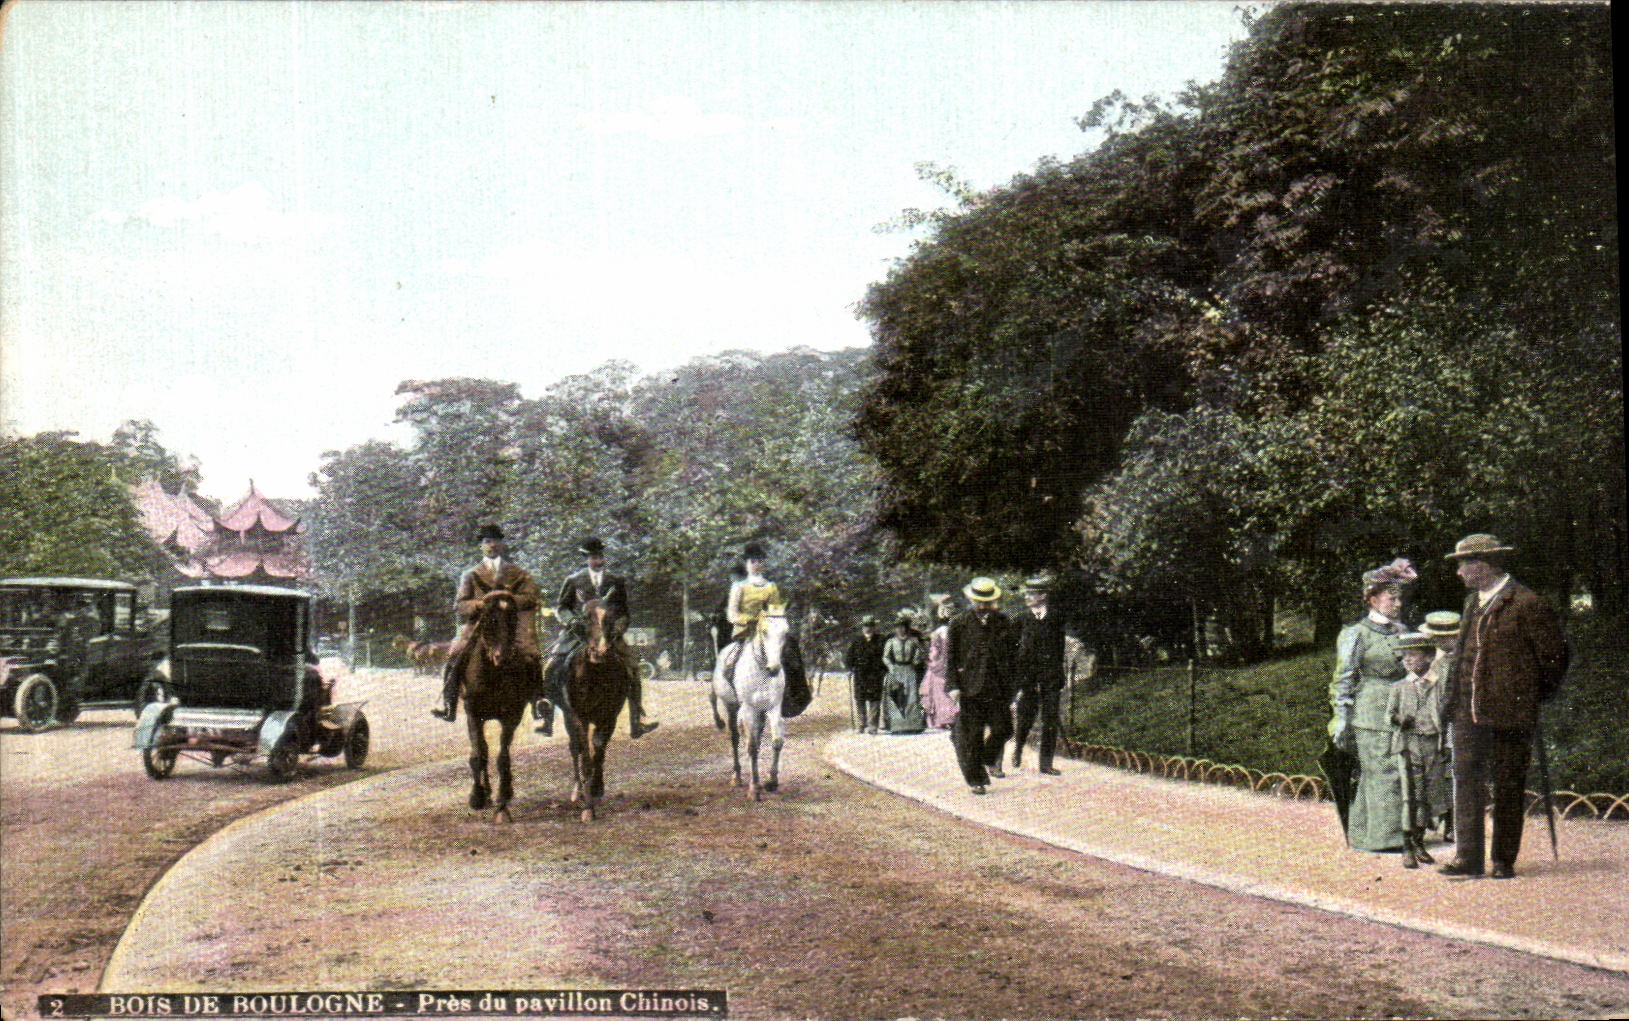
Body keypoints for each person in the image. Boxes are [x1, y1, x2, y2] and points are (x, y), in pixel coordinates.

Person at [1438, 534, 1568, 880]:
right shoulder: (1472, 603)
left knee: (1509, 783)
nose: (1459, 572)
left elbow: (1554, 660)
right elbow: (1461, 658)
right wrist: (1452, 702)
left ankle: (1503, 860)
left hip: (1510, 713)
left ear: (1484, 565)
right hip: (1468, 712)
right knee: (1465, 779)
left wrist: (1527, 697)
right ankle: (1468, 858)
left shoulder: (1527, 603)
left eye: (1464, 564)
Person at [1327, 557, 1415, 852]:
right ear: (1373, 599)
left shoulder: (1403, 631)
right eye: (1392, 598)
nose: (1398, 603)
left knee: (1399, 767)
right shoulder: (1356, 634)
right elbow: (1343, 680)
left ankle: (1368, 833)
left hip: (1403, 707)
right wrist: (1340, 717)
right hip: (1370, 711)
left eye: (1399, 597)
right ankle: (1384, 838)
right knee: (1380, 770)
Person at [541, 537, 659, 739]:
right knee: (552, 663)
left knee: (632, 666)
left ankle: (636, 719)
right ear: (586, 558)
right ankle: (547, 713)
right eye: (593, 557)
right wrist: (571, 622)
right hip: (578, 632)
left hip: (609, 633)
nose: (598, 560)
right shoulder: (573, 580)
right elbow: (562, 607)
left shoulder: (616, 581)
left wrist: (618, 628)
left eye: (600, 556)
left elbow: (623, 611)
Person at [431, 524, 542, 723]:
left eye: (496, 541)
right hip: (478, 626)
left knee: (531, 653)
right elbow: (459, 605)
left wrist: (508, 600)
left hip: (510, 625)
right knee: (455, 653)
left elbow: (531, 597)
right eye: (488, 542)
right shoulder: (470, 574)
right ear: (481, 546)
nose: (492, 546)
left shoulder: (517, 572)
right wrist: (480, 604)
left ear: (502, 544)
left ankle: (539, 702)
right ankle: (449, 704)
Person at [946, 576, 1016, 795]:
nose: (983, 606)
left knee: (1004, 729)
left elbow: (1012, 656)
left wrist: (1015, 688)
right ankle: (976, 780)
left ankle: (986, 757)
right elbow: (951, 658)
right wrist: (953, 685)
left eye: (987, 602)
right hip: (970, 688)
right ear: (971, 600)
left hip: (997, 687)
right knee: (972, 735)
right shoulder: (958, 623)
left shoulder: (1003, 621)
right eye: (979, 601)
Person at [1388, 631, 1449, 869]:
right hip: (1409, 744)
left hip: (1432, 744)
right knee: (1411, 796)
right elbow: (1388, 716)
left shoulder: (1437, 685)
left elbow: (1444, 714)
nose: (1408, 660)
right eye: (1405, 656)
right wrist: (1399, 719)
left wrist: (1445, 741)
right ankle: (1406, 847)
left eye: (1413, 655)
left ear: (1428, 657)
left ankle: (1419, 842)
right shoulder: (1399, 687)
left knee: (1429, 796)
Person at [1012, 573, 1067, 775]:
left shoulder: (1056, 618)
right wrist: (1019, 679)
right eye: (1026, 594)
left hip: (1051, 675)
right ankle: (1018, 746)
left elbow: (1059, 648)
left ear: (1043, 596)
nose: (1026, 597)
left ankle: (1046, 763)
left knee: (1050, 718)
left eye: (1031, 594)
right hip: (1028, 677)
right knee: (1026, 715)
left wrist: (1059, 673)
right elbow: (1015, 651)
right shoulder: (1021, 620)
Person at [1420, 609, 1463, 841]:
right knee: (1436, 769)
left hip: (1458, 722)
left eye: (1442, 638)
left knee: (1454, 771)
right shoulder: (1434, 661)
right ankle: (1439, 816)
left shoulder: (1466, 658)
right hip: (1435, 721)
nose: (1437, 642)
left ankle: (1455, 822)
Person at [881, 612, 927, 734]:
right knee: (897, 696)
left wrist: (917, 658)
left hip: (909, 670)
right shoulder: (891, 642)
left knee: (912, 696)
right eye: (898, 627)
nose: (901, 630)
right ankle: (897, 726)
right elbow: (885, 657)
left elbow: (921, 652)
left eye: (903, 627)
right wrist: (890, 666)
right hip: (896, 670)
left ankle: (913, 725)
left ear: (907, 628)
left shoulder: (913, 640)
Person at [918, 595, 958, 730]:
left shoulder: (937, 633)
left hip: (939, 665)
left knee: (938, 691)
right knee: (949, 691)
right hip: (951, 664)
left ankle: (941, 719)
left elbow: (934, 653)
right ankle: (951, 718)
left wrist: (931, 660)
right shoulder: (954, 631)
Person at [845, 615, 887, 734]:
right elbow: (849, 657)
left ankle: (873, 725)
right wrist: (849, 669)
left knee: (875, 700)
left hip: (875, 674)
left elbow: (884, 657)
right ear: (862, 627)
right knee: (860, 699)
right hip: (860, 674)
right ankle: (861, 724)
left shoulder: (881, 640)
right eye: (865, 626)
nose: (867, 628)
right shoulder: (856, 641)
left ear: (874, 627)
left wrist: (883, 671)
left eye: (870, 626)